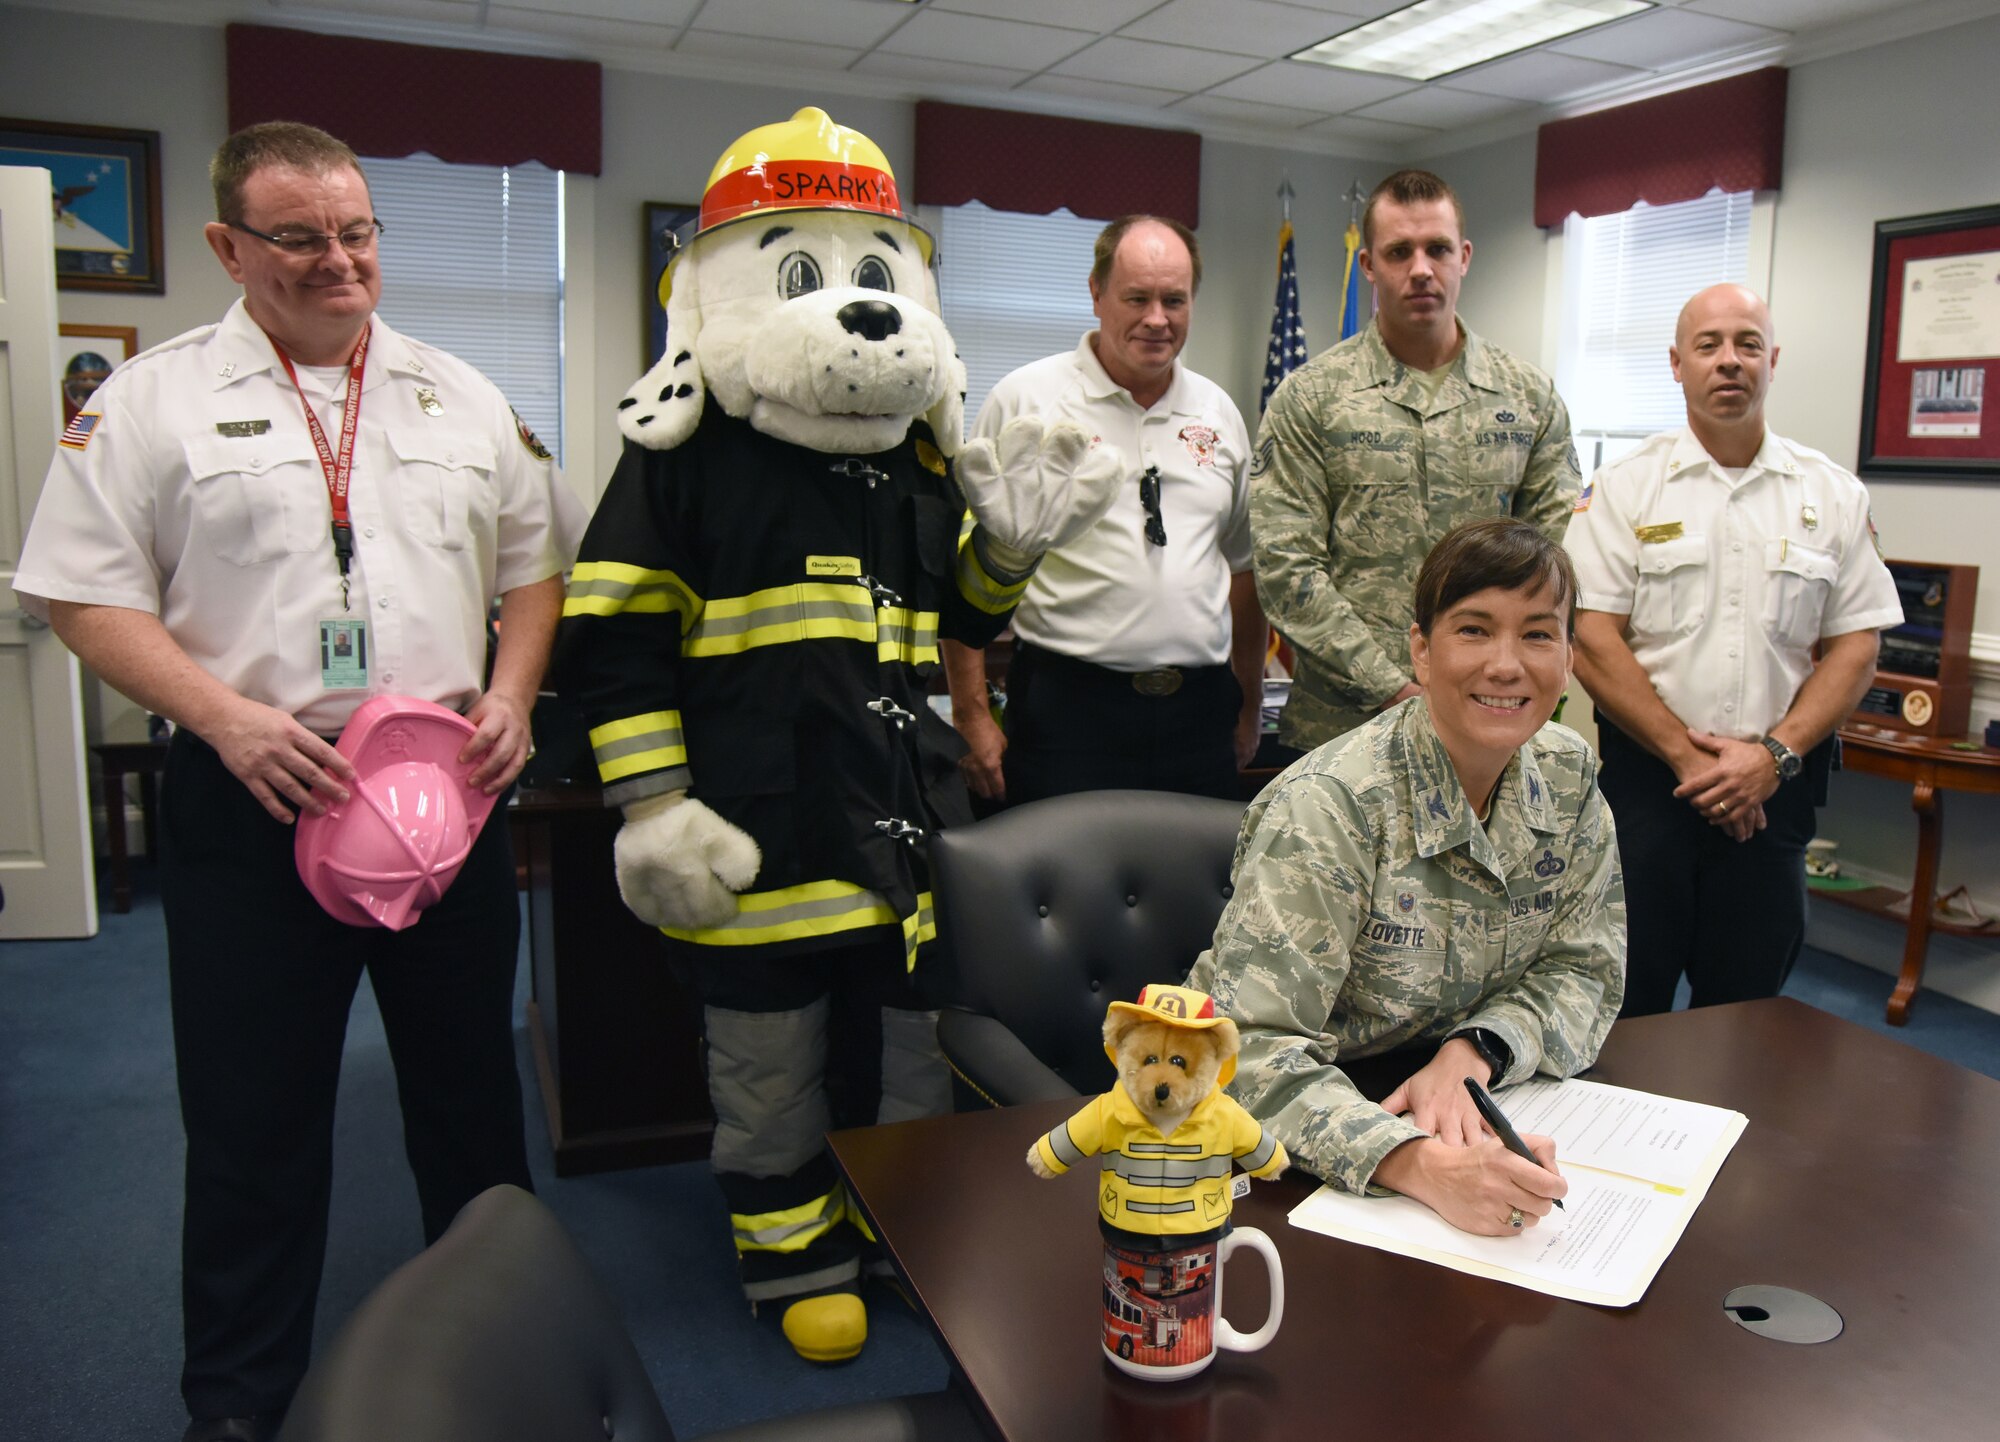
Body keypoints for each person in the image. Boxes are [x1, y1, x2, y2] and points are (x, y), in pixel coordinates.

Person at [11, 121, 586, 1441]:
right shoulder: (150, 400)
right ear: (228, 246)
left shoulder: (459, 393)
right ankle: (236, 1402)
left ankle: (504, 1354)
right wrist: (224, 719)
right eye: (302, 237)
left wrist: (509, 694)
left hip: (442, 798)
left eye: (359, 230)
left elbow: (530, 569)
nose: (342, 259)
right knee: (253, 1124)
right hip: (259, 797)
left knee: (469, 1103)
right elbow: (84, 597)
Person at [1188, 518, 1625, 1237]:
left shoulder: (1568, 774)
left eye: (1538, 635)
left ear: (1572, 656)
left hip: (1453, 1097)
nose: (1508, 665)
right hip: (1279, 1154)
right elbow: (1241, 1052)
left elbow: (1586, 968)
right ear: (1421, 651)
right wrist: (1415, 1164)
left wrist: (1477, 1048)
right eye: (1474, 630)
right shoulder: (1332, 806)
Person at [1564, 284, 1901, 1018]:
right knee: (1625, 1003)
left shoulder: (1832, 494)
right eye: (1709, 345)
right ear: (1677, 364)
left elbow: (1857, 644)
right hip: (1651, 789)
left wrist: (1771, 758)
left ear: (1772, 361)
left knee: (1748, 1009)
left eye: (1748, 344)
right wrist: (1690, 760)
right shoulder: (1624, 489)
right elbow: (1590, 640)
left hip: (1773, 790)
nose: (1729, 362)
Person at [942, 215, 1267, 804]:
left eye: (1174, 299)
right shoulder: (1026, 400)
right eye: (1136, 298)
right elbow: (962, 567)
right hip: (1068, 714)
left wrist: (1248, 704)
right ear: (1095, 292)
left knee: (1200, 890)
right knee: (1067, 891)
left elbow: (1243, 568)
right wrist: (970, 713)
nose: (1156, 319)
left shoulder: (1218, 412)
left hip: (1198, 718)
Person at [1252, 170, 1580, 752]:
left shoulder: (1529, 399)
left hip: (1490, 720)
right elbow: (1287, 569)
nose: (1421, 269)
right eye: (1399, 252)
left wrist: (1471, 687)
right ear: (1370, 266)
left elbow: (1545, 570)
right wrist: (1396, 691)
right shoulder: (1311, 398)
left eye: (1438, 249)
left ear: (1465, 257)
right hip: (1344, 731)